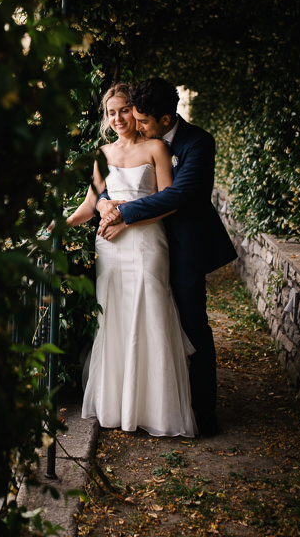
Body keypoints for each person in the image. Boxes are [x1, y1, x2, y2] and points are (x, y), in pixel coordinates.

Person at [97, 77, 237, 437]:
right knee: (152, 324)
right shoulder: (146, 141)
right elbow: (100, 189)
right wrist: (102, 203)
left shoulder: (198, 142)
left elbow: (180, 195)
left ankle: (203, 413)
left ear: (164, 118)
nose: (136, 125)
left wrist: (122, 212)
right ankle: (152, 399)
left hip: (184, 248)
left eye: (142, 121)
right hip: (144, 245)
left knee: (192, 328)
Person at [64, 82, 197, 438]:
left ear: (135, 112)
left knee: (150, 309)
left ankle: (155, 409)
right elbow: (91, 204)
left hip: (146, 243)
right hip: (109, 246)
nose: (119, 117)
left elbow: (168, 201)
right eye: (111, 112)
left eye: (124, 110)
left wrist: (126, 218)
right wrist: (57, 226)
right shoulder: (102, 154)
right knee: (114, 316)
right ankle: (116, 405)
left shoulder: (156, 148)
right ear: (106, 119)